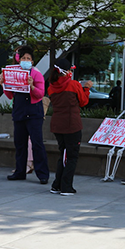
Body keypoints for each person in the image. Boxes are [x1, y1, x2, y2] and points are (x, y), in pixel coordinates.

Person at [0, 45, 49, 184]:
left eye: (28, 58)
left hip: (34, 113)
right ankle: (20, 171)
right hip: (19, 111)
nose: (26, 60)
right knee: (20, 144)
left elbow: (40, 94)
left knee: (37, 143)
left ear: (32, 62)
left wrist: (32, 86)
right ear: (19, 60)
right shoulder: (13, 73)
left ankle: (42, 174)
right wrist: (3, 84)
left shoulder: (36, 74)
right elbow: (10, 95)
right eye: (23, 58)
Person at [47, 57, 91, 195]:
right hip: (72, 125)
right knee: (71, 157)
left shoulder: (51, 87)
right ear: (66, 71)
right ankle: (66, 187)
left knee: (63, 154)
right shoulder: (73, 85)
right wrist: (87, 89)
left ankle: (57, 185)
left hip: (57, 124)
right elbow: (83, 102)